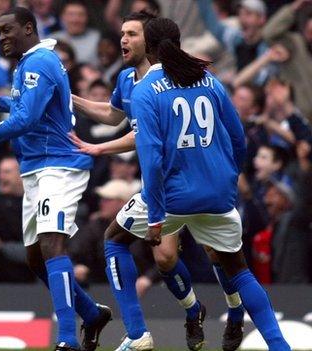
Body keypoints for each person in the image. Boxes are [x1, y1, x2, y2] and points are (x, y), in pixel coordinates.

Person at [70, 11, 246, 351]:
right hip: (158, 180)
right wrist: (71, 98)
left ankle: (236, 310)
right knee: (164, 258)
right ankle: (193, 310)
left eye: (132, 34)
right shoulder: (126, 80)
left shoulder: (174, 78)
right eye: (122, 33)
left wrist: (100, 148)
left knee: (214, 251)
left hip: (190, 176)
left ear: (149, 41)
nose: (124, 40)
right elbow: (113, 115)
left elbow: (149, 137)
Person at [130, 17, 290, 351]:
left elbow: (151, 158)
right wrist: (230, 179)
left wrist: (156, 215)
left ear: (149, 47)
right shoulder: (208, 80)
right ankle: (278, 345)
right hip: (217, 193)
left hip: (172, 199)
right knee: (239, 269)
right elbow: (238, 138)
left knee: (114, 240)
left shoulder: (144, 89)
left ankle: (134, 331)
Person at [0, 7, 111, 351]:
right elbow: (34, 105)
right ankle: (91, 314)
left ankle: (65, 339)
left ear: (28, 29)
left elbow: (29, 118)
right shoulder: (30, 63)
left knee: (51, 245)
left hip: (58, 165)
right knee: (36, 259)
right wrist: (1, 102)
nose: (1, 37)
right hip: (36, 167)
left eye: (7, 30)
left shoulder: (39, 61)